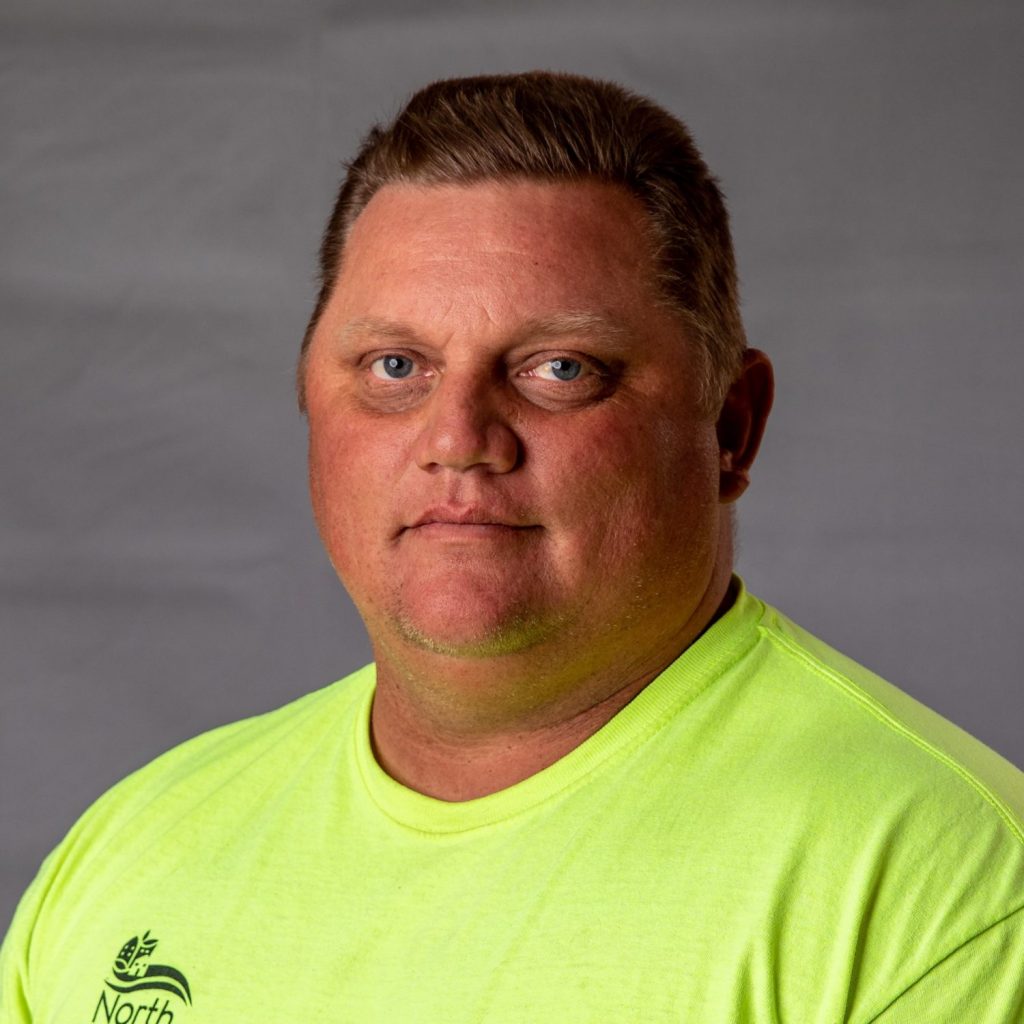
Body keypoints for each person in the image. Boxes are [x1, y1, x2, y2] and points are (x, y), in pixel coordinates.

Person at [2, 71, 1022, 1023]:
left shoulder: (948, 891)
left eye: (559, 368)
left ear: (730, 426)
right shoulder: (132, 850)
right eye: (395, 366)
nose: (457, 439)